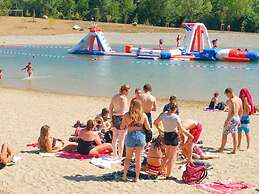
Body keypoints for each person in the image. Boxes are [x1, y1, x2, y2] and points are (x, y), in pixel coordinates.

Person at [154, 104, 193, 179]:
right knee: (171, 157)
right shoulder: (176, 117)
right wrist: (182, 134)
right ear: (175, 109)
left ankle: (160, 171)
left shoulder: (163, 114)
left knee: (166, 156)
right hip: (173, 136)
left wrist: (160, 129)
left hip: (166, 135)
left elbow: (155, 122)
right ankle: (168, 175)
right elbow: (181, 128)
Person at [121, 100, 152, 182]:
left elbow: (121, 127)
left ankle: (124, 176)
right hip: (141, 137)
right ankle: (137, 178)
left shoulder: (126, 115)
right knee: (138, 158)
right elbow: (148, 128)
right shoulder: (143, 115)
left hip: (130, 136)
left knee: (128, 158)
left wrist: (130, 126)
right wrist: (140, 127)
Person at [218, 88, 243, 154]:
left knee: (224, 133)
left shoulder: (232, 100)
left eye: (227, 95)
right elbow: (241, 110)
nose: (227, 96)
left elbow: (233, 112)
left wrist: (227, 121)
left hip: (232, 118)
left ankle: (222, 149)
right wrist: (240, 119)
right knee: (234, 134)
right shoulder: (239, 99)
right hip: (237, 118)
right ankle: (234, 150)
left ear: (229, 93)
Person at [109, 84, 130, 159]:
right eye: (128, 91)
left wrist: (111, 118)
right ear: (125, 90)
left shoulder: (115, 96)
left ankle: (115, 154)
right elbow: (122, 112)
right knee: (121, 139)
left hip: (114, 118)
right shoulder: (123, 98)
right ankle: (120, 156)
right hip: (121, 119)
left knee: (114, 138)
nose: (128, 93)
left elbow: (110, 108)